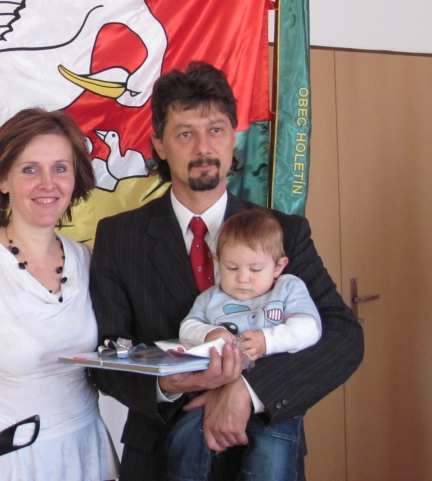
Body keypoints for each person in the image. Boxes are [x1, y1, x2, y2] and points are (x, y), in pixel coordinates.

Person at [88, 61, 364, 480]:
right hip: (160, 455)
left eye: (216, 129)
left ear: (234, 136)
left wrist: (250, 390)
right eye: (185, 133)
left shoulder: (284, 232)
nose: (204, 147)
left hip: (268, 448)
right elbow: (106, 355)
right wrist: (164, 385)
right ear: (159, 144)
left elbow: (343, 336)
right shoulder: (119, 236)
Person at [0, 107, 120, 481]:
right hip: (9, 462)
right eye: (30, 169)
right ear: (2, 179)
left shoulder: (87, 259)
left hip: (86, 452)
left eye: (60, 168)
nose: (48, 183)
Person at [167, 208, 322, 481]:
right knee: (183, 437)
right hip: (216, 392)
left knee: (271, 457)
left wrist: (267, 340)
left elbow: (309, 328)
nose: (242, 278)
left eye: (255, 269)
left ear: (278, 266)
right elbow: (187, 327)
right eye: (232, 268)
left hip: (275, 396)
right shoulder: (211, 297)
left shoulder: (287, 288)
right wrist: (210, 333)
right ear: (218, 261)